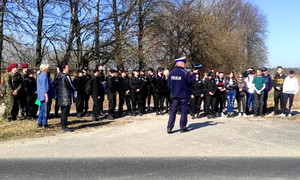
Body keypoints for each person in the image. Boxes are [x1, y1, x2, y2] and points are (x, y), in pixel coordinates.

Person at [167, 57, 197, 134]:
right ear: (181, 64)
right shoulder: (185, 73)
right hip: (184, 96)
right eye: (184, 63)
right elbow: (191, 82)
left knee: (173, 111)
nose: (184, 65)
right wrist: (194, 74)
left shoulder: (171, 73)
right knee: (184, 111)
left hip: (175, 95)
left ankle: (169, 127)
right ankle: (182, 128)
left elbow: (169, 84)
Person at [57, 64, 76, 132]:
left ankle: (63, 125)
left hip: (61, 96)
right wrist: (75, 89)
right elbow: (71, 85)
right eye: (67, 68)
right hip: (66, 96)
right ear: (64, 69)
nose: (69, 69)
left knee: (63, 112)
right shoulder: (66, 76)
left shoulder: (59, 76)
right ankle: (64, 126)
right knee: (65, 112)